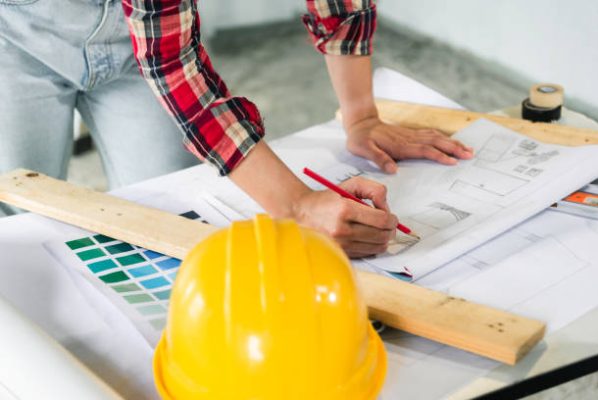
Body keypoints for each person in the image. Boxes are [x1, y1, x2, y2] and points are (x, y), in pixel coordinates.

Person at [0, 0, 472, 258]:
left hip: (135, 37)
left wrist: (361, 114)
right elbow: (174, 68)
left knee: (165, 217)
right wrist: (297, 205)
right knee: (17, 218)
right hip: (14, 35)